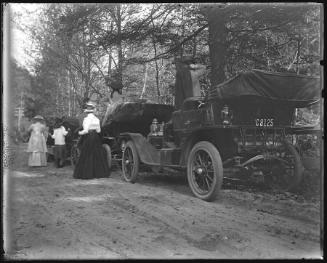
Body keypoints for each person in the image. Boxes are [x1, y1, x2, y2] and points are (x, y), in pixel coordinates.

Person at [73, 101, 110, 179]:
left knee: (87, 154)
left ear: (87, 112)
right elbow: (99, 131)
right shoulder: (97, 119)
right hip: (96, 137)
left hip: (89, 137)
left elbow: (85, 131)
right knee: (97, 154)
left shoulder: (86, 119)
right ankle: (99, 173)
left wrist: (79, 133)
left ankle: (87, 173)